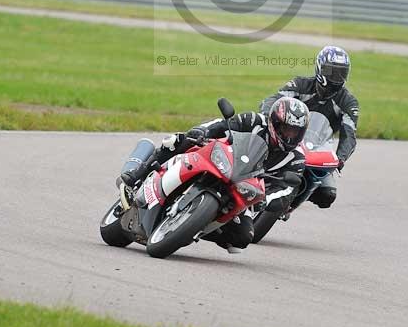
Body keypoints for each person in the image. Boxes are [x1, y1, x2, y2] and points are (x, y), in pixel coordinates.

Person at [118, 96, 310, 253]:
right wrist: (202, 130)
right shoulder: (255, 120)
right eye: (286, 129)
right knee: (177, 140)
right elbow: (222, 124)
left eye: (296, 132)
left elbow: (287, 190)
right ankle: (137, 174)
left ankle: (192, 227)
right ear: (274, 122)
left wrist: (266, 200)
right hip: (223, 159)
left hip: (245, 189)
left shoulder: (297, 159)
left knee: (243, 238)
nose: (289, 136)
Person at [260, 45, 359, 210]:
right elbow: (273, 100)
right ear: (320, 69)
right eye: (331, 71)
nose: (336, 77)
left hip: (318, 148)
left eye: (341, 73)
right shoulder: (301, 84)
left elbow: (349, 135)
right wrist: (266, 115)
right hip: (288, 137)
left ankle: (294, 201)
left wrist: (340, 158)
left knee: (327, 195)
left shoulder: (348, 102)